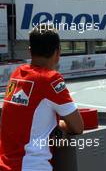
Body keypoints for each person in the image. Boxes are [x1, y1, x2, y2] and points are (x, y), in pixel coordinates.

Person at [0, 24, 84, 171]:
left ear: (30, 51)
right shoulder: (51, 79)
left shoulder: (16, 75)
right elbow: (78, 127)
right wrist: (61, 127)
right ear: (58, 53)